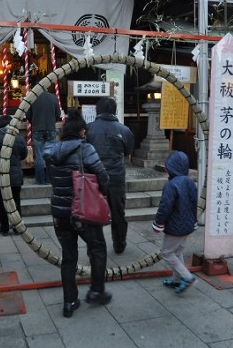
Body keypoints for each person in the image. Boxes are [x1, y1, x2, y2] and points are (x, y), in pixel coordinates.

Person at [43, 108, 112, 318]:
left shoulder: (51, 150)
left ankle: (69, 302)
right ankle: (96, 291)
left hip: (59, 213)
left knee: (69, 258)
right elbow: (103, 177)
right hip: (82, 211)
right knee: (98, 249)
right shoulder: (86, 149)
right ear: (82, 132)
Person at [86, 97, 134, 254]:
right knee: (118, 212)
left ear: (97, 110)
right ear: (114, 110)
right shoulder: (124, 130)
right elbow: (128, 151)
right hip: (116, 177)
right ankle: (119, 244)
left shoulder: (89, 129)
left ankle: (95, 245)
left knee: (92, 212)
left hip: (94, 177)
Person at [152, 151, 198, 294]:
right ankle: (177, 279)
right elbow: (194, 203)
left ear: (171, 168)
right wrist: (194, 220)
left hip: (175, 227)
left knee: (167, 253)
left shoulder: (171, 185)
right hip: (187, 225)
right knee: (178, 252)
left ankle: (187, 277)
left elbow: (164, 207)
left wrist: (158, 223)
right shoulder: (190, 182)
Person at [0, 115, 28, 236]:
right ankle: (17, 228)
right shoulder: (19, 138)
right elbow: (24, 155)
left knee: (2, 202)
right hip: (16, 175)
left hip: (1, 175)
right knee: (16, 202)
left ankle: (4, 229)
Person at [26, 90, 62, 184]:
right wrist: (51, 121)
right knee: (50, 155)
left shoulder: (32, 97)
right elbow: (58, 114)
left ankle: (40, 180)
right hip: (50, 128)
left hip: (37, 128)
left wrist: (34, 122)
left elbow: (28, 115)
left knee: (39, 155)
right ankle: (50, 179)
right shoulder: (53, 97)